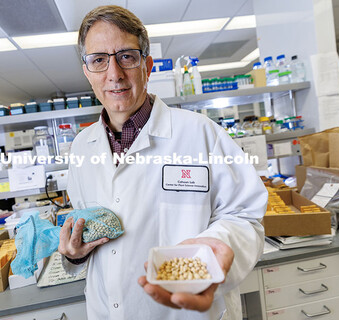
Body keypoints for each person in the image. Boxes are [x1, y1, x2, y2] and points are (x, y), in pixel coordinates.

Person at [58, 5, 267, 319]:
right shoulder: (81, 148)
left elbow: (244, 218)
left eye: (126, 56)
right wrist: (74, 255)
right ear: (87, 72)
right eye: (99, 60)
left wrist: (214, 249)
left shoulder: (201, 134)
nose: (114, 73)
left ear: (147, 65)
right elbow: (88, 228)